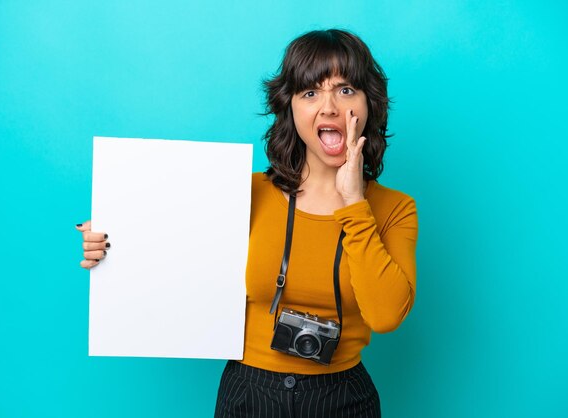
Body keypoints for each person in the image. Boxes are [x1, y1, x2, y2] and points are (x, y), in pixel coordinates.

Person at [76, 29, 417, 418]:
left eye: (344, 90)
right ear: (289, 107)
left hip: (343, 398)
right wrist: (114, 244)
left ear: (368, 103)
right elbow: (175, 255)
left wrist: (354, 202)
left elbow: (387, 316)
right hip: (248, 391)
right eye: (310, 93)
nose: (328, 108)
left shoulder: (393, 208)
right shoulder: (243, 192)